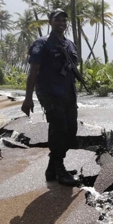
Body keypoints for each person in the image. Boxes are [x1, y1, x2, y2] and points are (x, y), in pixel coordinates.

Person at [21, 9, 81, 187]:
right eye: (57, 20)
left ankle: (52, 168)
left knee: (71, 130)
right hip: (50, 93)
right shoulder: (41, 43)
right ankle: (60, 169)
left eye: (64, 20)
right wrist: (28, 98)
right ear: (50, 22)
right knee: (59, 129)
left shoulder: (70, 44)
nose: (61, 23)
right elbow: (33, 71)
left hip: (68, 93)